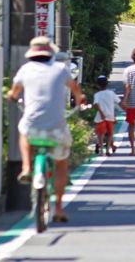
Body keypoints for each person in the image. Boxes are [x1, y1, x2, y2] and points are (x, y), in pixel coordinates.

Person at [6, 36, 86, 223]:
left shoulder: (25, 70)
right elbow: (75, 90)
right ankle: (58, 208)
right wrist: (80, 99)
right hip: (57, 129)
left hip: (33, 126)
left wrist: (11, 95)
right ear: (50, 52)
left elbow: (14, 92)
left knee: (23, 131)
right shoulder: (60, 69)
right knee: (61, 165)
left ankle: (26, 166)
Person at [93, 75, 120, 156]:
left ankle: (101, 151)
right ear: (107, 84)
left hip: (101, 117)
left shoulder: (97, 94)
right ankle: (108, 149)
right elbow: (118, 102)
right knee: (110, 133)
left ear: (98, 84)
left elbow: (96, 104)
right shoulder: (111, 93)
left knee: (101, 134)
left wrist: (101, 112)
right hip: (110, 116)